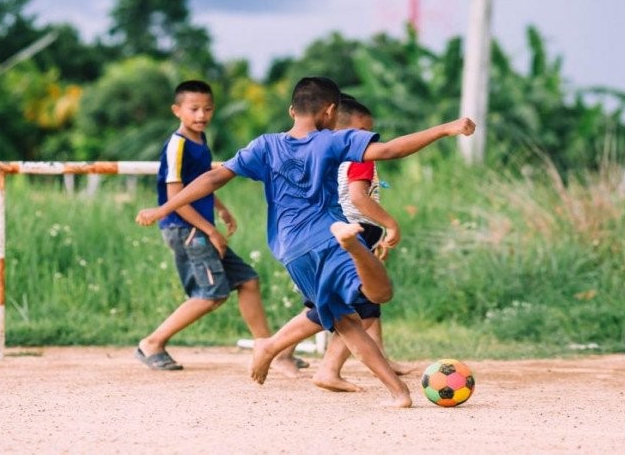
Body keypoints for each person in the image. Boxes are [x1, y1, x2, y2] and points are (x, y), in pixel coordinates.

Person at [136, 76, 476, 407]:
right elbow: (388, 150)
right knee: (380, 293)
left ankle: (397, 392)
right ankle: (354, 247)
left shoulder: (264, 145)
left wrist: (164, 208)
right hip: (328, 233)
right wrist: (445, 128)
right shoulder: (332, 140)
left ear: (291, 110)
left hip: (289, 249)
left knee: (345, 320)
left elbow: (212, 178)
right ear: (330, 112)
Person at [135, 79, 299, 377]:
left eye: (207, 109)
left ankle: (269, 348)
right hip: (185, 228)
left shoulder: (200, 140)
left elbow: (200, 183)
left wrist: (221, 209)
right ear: (177, 110)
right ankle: (151, 343)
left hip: (201, 226)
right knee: (211, 293)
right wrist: (210, 230)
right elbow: (176, 198)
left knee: (247, 280)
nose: (201, 115)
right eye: (194, 109)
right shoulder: (178, 144)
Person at [309, 95, 415, 393]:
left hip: (330, 229)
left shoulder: (323, 156)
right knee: (359, 307)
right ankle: (290, 353)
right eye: (363, 133)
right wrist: (389, 224)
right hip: (356, 231)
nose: (368, 140)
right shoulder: (360, 157)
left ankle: (375, 358)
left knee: (361, 302)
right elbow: (358, 198)